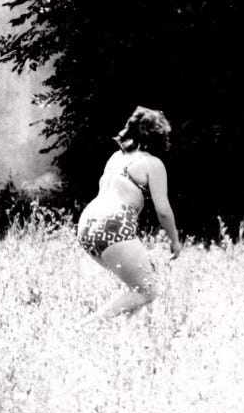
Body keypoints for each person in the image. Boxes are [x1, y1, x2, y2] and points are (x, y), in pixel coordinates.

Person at [77, 106, 183, 323]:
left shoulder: (116, 157)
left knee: (136, 284)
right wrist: (175, 241)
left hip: (87, 223)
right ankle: (87, 325)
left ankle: (125, 335)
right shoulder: (152, 164)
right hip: (114, 224)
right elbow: (163, 210)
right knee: (148, 290)